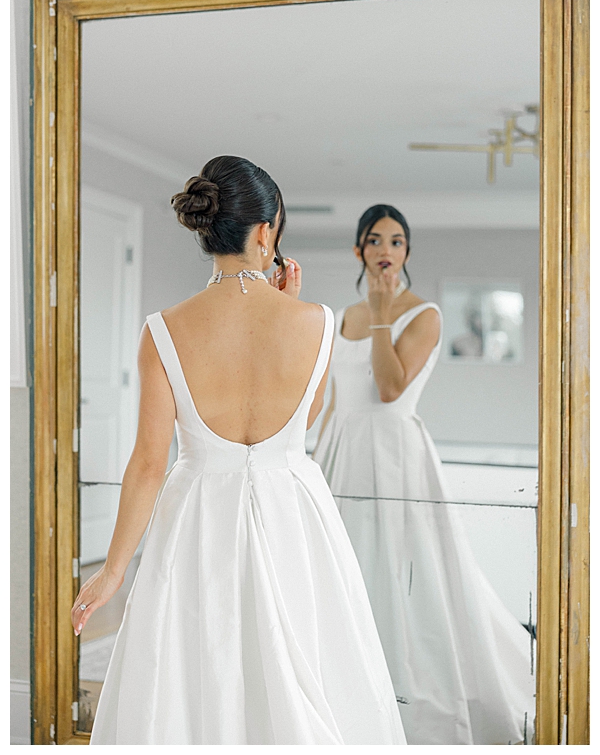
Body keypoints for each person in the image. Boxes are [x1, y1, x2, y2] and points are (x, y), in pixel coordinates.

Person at [71, 158, 406, 745]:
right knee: (313, 664)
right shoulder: (319, 322)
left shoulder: (163, 329)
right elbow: (305, 418)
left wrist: (113, 571)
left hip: (198, 518)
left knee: (199, 673)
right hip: (295, 515)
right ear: (265, 232)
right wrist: (290, 306)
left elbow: (149, 462)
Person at [313, 204, 536, 745]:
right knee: (340, 563)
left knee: (403, 569)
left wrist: (385, 313)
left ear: (408, 251)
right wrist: (311, 455)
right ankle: (339, 675)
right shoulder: (344, 314)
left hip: (394, 453)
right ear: (358, 250)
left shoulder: (425, 314)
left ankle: (404, 687)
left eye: (396, 240)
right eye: (374, 239)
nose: (385, 249)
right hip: (341, 448)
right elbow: (335, 397)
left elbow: (389, 390)